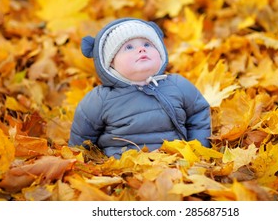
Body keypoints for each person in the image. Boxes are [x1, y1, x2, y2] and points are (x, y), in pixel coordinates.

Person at [68, 17, 211, 158]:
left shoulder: (177, 85)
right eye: (129, 47)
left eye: (148, 44)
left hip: (175, 162)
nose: (142, 49)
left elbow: (198, 113)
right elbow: (82, 136)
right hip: (124, 168)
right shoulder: (101, 99)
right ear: (110, 63)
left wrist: (198, 148)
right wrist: (80, 161)